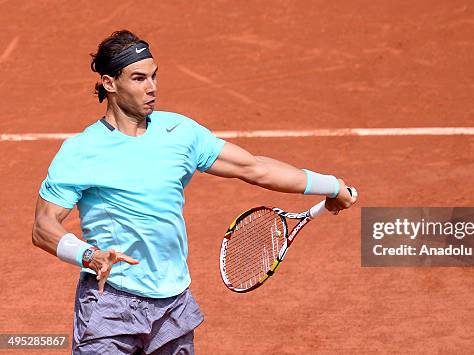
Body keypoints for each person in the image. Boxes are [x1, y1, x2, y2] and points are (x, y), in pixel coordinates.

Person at [31, 30, 357, 354]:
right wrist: (89, 255)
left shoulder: (180, 133)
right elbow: (43, 227)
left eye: (154, 76)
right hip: (111, 302)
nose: (152, 87)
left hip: (173, 305)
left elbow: (255, 168)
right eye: (139, 78)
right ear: (110, 83)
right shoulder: (82, 151)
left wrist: (331, 185)